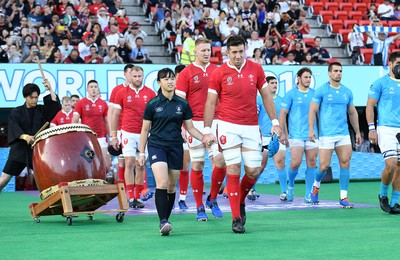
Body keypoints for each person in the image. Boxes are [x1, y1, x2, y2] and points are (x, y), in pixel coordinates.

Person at [203, 35, 284, 233]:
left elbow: (266, 96)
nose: (238, 56)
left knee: (253, 171)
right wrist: (206, 130)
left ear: (245, 50)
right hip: (227, 126)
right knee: (233, 168)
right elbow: (211, 103)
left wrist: (275, 122)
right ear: (227, 52)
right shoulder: (219, 72)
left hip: (250, 127)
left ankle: (239, 200)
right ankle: (236, 218)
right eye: (234, 52)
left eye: (241, 51)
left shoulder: (256, 69)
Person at [138, 68, 207, 236]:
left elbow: (190, 128)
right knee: (161, 183)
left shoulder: (182, 104)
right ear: (159, 82)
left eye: (172, 79)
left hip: (176, 146)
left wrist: (204, 137)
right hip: (156, 146)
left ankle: (166, 220)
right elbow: (145, 129)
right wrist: (141, 152)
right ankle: (163, 221)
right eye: (166, 79)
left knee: (170, 186)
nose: (170, 82)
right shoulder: (153, 104)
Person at [175, 38, 226, 220]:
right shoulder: (186, 73)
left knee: (221, 161)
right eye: (203, 50)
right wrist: (183, 125)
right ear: (195, 52)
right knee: (197, 164)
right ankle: (199, 206)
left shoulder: (217, 70)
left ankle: (212, 198)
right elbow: (180, 102)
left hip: (216, 122)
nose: (206, 53)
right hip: (194, 124)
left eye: (208, 50)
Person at [308, 62, 361, 208]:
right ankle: (316, 185)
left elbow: (352, 112)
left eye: (340, 71)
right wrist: (311, 129)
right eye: (336, 71)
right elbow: (312, 111)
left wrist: (357, 132)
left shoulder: (347, 92)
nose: (338, 73)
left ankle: (343, 197)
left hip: (343, 134)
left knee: (345, 163)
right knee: (324, 166)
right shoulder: (321, 91)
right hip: (326, 135)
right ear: (329, 73)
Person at [0, 80, 60, 192]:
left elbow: (55, 105)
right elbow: (15, 128)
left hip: (36, 151)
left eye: (36, 97)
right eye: (31, 97)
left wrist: (50, 89)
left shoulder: (42, 110)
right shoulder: (17, 111)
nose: (34, 100)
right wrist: (26, 137)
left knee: (49, 180)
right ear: (25, 97)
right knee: (3, 180)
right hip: (19, 150)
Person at [111, 66, 157, 209]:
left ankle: (137, 197)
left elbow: (155, 115)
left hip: (144, 133)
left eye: (139, 76)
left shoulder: (150, 93)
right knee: (129, 162)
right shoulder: (121, 92)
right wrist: (113, 135)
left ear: (143, 76)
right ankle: (130, 197)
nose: (137, 79)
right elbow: (115, 115)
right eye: (135, 76)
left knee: (140, 165)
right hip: (127, 132)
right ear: (130, 76)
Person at [366, 51, 400, 214]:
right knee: (391, 164)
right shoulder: (380, 83)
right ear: (391, 64)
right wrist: (371, 128)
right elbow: (369, 106)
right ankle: (382, 194)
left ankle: (394, 202)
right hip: (386, 129)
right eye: (398, 62)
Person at [280, 68, 318, 203]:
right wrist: (284, 134)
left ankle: (308, 194)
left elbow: (319, 115)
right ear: (299, 78)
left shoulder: (315, 94)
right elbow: (283, 114)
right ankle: (290, 185)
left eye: (309, 77)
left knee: (312, 163)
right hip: (295, 134)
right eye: (306, 77)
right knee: (295, 163)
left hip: (312, 135)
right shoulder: (291, 94)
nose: (308, 80)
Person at [257, 76, 288, 201]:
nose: (275, 85)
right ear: (266, 85)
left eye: (276, 83)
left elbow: (283, 120)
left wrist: (285, 134)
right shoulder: (260, 100)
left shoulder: (282, 101)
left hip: (278, 136)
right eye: (272, 83)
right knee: (261, 165)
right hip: (263, 137)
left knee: (280, 162)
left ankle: (284, 192)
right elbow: (255, 117)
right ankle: (251, 189)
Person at [72, 80, 110, 174]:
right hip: (87, 138)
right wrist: (74, 134)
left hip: (101, 137)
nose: (93, 89)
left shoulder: (103, 104)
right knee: (89, 163)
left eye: (95, 87)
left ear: (98, 89)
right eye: (91, 87)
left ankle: (101, 186)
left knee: (103, 163)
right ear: (87, 89)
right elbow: (75, 120)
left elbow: (107, 121)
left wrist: (112, 137)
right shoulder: (81, 103)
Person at [108, 64, 134, 186]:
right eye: (129, 72)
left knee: (139, 161)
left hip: (136, 129)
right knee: (122, 161)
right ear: (125, 74)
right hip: (120, 129)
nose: (131, 75)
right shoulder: (117, 90)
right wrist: (112, 133)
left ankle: (141, 191)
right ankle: (123, 188)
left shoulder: (140, 90)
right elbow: (111, 111)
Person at [174, 64, 190, 210]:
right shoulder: (167, 92)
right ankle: (169, 195)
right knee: (170, 168)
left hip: (187, 132)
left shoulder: (191, 91)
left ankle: (182, 198)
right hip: (171, 134)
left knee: (185, 166)